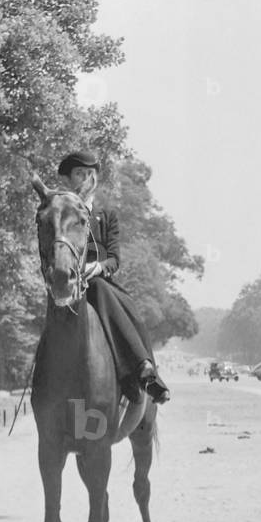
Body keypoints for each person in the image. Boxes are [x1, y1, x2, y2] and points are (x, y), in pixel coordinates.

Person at [56, 150, 169, 405]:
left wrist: (96, 268)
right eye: (79, 173)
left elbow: (115, 259)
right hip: (66, 281)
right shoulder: (59, 211)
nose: (85, 178)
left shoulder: (107, 216)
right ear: (68, 179)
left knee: (123, 304)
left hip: (98, 281)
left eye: (90, 173)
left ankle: (144, 369)